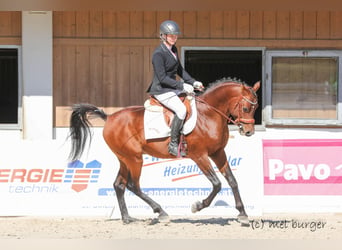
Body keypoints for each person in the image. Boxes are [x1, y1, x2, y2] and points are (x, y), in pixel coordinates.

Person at [146, 20, 204, 157]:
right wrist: (182, 85)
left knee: (192, 100)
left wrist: (193, 82)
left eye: (175, 35)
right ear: (163, 36)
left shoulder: (173, 50)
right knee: (181, 110)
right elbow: (162, 78)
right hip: (161, 90)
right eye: (171, 35)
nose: (174, 38)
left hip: (171, 88)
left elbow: (180, 70)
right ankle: (173, 143)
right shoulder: (158, 54)